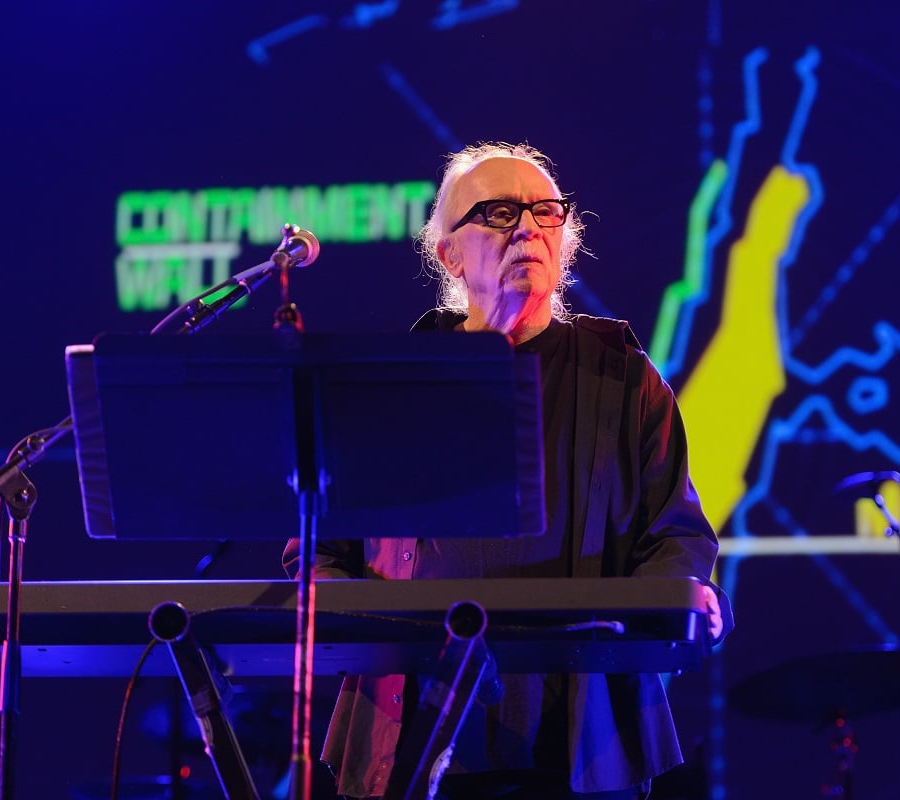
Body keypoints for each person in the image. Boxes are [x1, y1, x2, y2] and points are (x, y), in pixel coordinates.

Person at [284, 141, 729, 799]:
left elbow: (678, 540)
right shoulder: (388, 387)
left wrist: (652, 617)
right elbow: (320, 552)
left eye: (545, 212)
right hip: (411, 736)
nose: (527, 228)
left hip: (581, 740)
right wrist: (364, 629)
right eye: (497, 212)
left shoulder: (625, 379)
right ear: (450, 254)